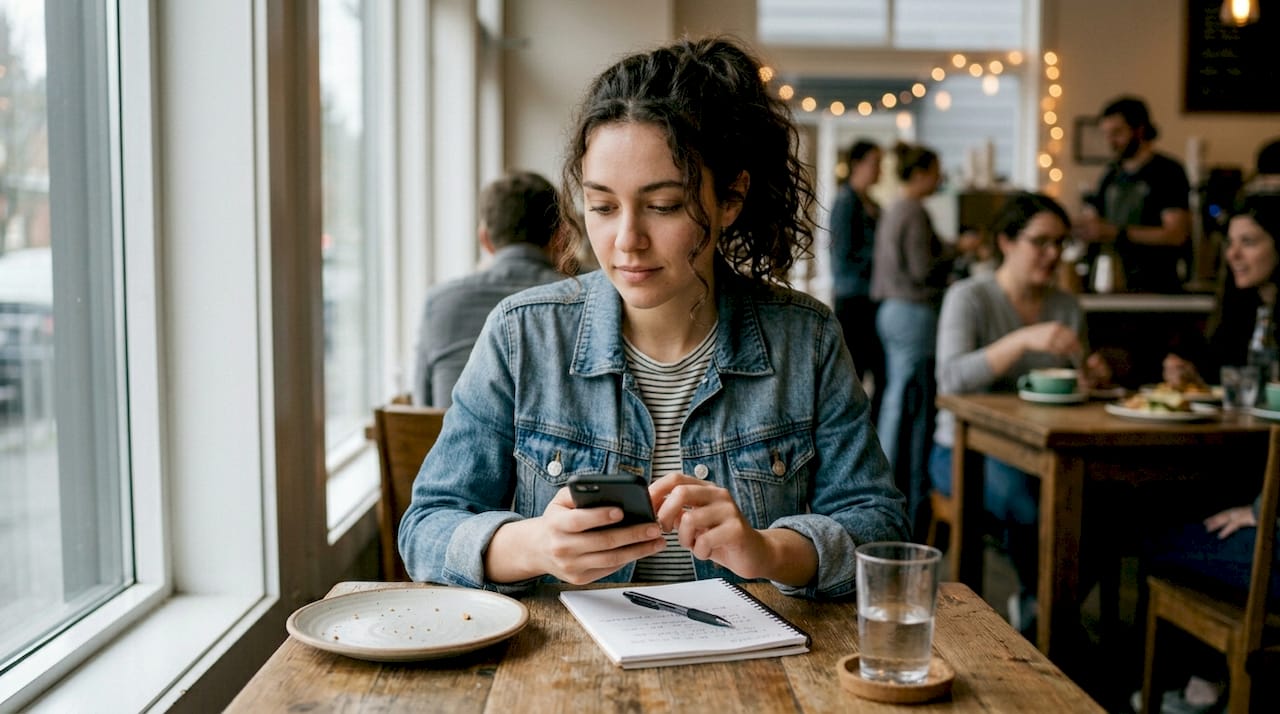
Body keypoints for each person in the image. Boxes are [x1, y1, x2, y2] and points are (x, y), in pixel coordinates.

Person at [397, 36, 909, 598]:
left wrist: (769, 550)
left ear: (731, 198)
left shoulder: (805, 339)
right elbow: (426, 527)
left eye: (663, 206)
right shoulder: (522, 334)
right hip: (568, 651)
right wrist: (534, 544)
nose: (626, 240)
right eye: (602, 206)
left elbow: (879, 527)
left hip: (756, 652)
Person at [929, 192, 1109, 637]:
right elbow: (950, 378)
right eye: (1041, 242)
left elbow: (1075, 379)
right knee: (1030, 502)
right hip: (963, 451)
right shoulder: (969, 297)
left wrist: (1092, 375)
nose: (1053, 254)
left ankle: (1041, 607)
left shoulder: (1065, 305)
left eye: (1061, 243)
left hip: (1045, 448)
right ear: (1007, 241)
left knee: (1106, 506)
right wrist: (1022, 340)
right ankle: (1045, 614)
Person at [1137, 192, 1280, 714]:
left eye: (1249, 242)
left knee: (1158, 541)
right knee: (1188, 511)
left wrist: (1263, 510)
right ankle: (1204, 675)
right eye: (1231, 243)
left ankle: (1201, 682)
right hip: (1255, 473)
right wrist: (1198, 376)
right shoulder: (1253, 311)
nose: (1233, 254)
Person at [870, 141, 973, 536]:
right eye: (935, 170)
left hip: (892, 310)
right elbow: (921, 268)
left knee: (897, 400)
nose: (940, 177)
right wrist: (957, 250)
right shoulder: (914, 211)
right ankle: (894, 495)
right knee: (908, 406)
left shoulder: (896, 207)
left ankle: (883, 488)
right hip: (912, 312)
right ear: (920, 173)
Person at [411, 171, 564, 407]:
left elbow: (422, 409)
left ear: (484, 238)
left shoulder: (439, 302)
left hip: (450, 431)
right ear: (559, 237)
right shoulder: (579, 299)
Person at [1075, 96, 1192, 294]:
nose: (1111, 141)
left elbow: (1176, 234)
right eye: (1106, 134)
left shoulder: (1168, 172)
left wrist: (1116, 233)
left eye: (1117, 133)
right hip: (1113, 281)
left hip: (1157, 285)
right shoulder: (1111, 175)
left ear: (1139, 130)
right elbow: (1095, 218)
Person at [828, 140, 885, 421]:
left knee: (878, 372)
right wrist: (881, 257)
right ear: (857, 164)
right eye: (875, 163)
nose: (879, 169)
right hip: (853, 300)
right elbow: (842, 256)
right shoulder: (846, 203)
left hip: (871, 298)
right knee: (854, 374)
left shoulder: (871, 204)